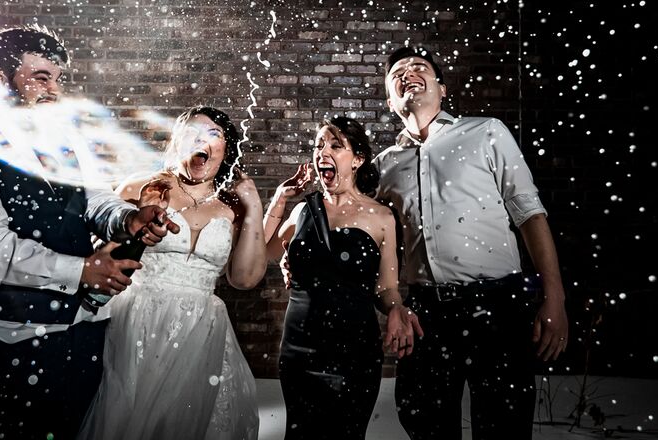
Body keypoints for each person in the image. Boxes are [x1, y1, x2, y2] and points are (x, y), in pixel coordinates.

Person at [0, 25, 171, 440]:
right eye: (41, 78)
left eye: (58, 79)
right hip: (10, 341)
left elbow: (96, 200)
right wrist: (82, 270)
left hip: (83, 335)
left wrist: (128, 219)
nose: (54, 90)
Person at [375, 46, 569, 440]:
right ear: (390, 100)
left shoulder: (486, 133)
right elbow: (368, 236)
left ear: (442, 89)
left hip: (498, 306)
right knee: (425, 423)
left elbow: (530, 215)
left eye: (419, 67)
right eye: (397, 73)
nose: (408, 73)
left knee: (504, 428)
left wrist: (555, 298)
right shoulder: (384, 165)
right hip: (426, 313)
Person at [77, 106, 267, 440]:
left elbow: (244, 279)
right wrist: (137, 225)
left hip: (202, 328)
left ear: (226, 149)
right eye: (192, 133)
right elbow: (98, 257)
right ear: (176, 141)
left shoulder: (233, 206)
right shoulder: (141, 188)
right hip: (136, 319)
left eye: (213, 134)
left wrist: (254, 208)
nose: (201, 141)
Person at [264, 116, 423, 440]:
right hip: (299, 347)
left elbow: (387, 287)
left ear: (358, 159)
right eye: (319, 145)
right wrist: (279, 200)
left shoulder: (381, 217)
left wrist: (396, 308)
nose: (323, 152)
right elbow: (260, 253)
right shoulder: (303, 210)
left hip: (354, 349)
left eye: (335, 145)